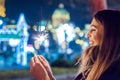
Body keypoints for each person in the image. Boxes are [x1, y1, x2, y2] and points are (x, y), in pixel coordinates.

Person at [30, 9, 120, 80]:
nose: (88, 35)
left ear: (110, 35)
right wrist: (49, 75)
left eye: (93, 29)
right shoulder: (95, 66)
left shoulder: (113, 71)